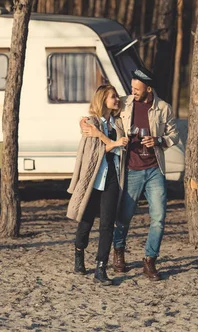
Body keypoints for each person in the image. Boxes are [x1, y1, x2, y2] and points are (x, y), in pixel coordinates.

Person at [82, 67, 179, 281]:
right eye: (132, 87)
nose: (133, 91)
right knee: (123, 218)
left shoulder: (163, 108)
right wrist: (85, 123)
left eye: (137, 88)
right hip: (131, 169)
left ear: (148, 88)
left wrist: (159, 141)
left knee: (159, 218)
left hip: (154, 169)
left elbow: (174, 134)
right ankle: (119, 251)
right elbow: (99, 112)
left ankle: (149, 260)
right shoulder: (125, 103)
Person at [66, 84, 128, 286]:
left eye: (117, 97)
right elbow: (94, 151)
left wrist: (109, 142)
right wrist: (114, 144)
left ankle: (101, 267)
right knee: (86, 221)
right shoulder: (91, 122)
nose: (117, 100)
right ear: (102, 99)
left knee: (107, 224)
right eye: (112, 97)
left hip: (112, 178)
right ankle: (79, 252)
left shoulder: (118, 123)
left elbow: (118, 150)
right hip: (93, 178)